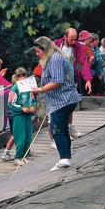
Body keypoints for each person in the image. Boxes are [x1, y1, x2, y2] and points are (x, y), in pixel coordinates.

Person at [31, 36, 82, 172]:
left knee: (56, 129)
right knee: (63, 129)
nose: (37, 54)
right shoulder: (53, 58)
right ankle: (65, 157)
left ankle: (63, 159)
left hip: (63, 100)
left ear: (45, 49)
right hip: (61, 100)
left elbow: (57, 81)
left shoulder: (55, 59)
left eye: (38, 51)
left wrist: (40, 89)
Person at [53, 28, 91, 139]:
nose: (73, 42)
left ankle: (69, 127)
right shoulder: (55, 45)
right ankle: (61, 129)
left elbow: (83, 62)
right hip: (56, 79)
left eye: (75, 39)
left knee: (70, 103)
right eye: (71, 40)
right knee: (59, 105)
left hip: (70, 79)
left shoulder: (78, 46)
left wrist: (88, 80)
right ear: (64, 37)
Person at [8, 67, 36, 166]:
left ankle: (26, 155)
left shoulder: (28, 87)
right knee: (20, 137)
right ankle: (18, 157)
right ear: (16, 78)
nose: (22, 78)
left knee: (28, 136)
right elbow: (11, 103)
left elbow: (32, 100)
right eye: (20, 76)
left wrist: (32, 107)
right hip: (19, 116)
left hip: (27, 115)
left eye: (24, 76)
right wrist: (21, 109)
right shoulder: (14, 88)